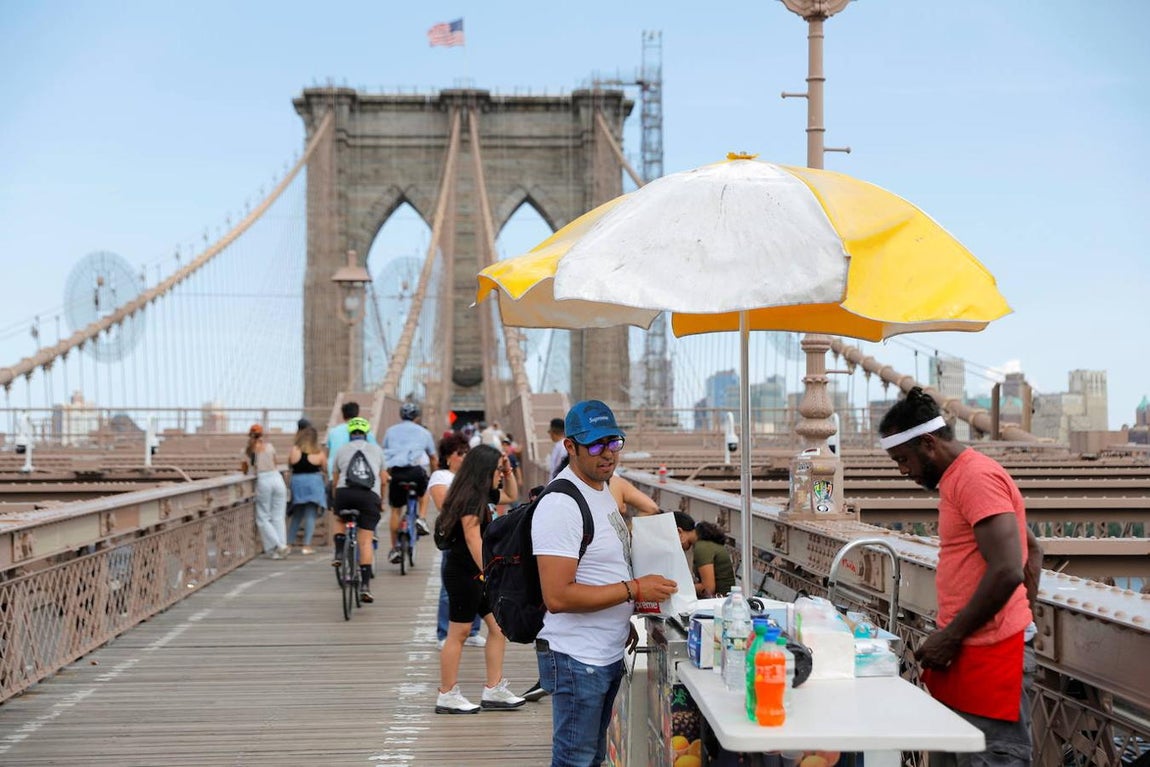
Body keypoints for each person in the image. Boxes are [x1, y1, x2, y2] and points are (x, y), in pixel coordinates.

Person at [879, 387, 1043, 767]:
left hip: (989, 655)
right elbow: (1031, 550)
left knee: (991, 759)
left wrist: (955, 636)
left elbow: (1007, 568)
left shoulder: (974, 478)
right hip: (972, 649)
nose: (903, 471)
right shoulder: (960, 479)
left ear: (928, 443)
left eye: (903, 459)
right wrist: (1021, 617)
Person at [532, 400, 678, 767]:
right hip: (577, 658)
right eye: (595, 445)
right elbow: (557, 595)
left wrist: (622, 613)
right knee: (575, 760)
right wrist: (633, 590)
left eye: (614, 442)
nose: (607, 454)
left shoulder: (601, 490)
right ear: (570, 447)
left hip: (604, 651)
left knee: (593, 757)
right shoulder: (561, 504)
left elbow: (601, 569)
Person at [434, 444, 526, 714]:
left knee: (498, 628)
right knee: (459, 633)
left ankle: (493, 688)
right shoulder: (470, 497)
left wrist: (509, 469)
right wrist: (488, 572)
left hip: (479, 572)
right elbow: (473, 537)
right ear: (485, 469)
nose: (501, 473)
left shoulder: (483, 492)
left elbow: (511, 494)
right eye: (498, 469)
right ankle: (447, 694)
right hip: (464, 572)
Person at [429, 434, 483, 649]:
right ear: (448, 457)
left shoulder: (474, 477)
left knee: (479, 584)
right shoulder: (440, 476)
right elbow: (446, 506)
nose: (464, 457)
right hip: (455, 540)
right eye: (459, 453)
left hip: (477, 537)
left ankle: (473, 630)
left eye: (467, 453)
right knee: (448, 589)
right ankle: (444, 633)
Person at [331, 417, 387, 603]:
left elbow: (335, 477)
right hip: (369, 497)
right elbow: (384, 478)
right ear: (366, 434)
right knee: (365, 542)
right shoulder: (377, 450)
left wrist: (335, 500)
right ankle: (365, 586)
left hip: (344, 494)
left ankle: (339, 551)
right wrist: (382, 500)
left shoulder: (341, 450)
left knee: (339, 518)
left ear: (350, 434)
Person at [382, 402, 437, 564]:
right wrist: (434, 474)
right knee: (425, 490)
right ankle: (421, 517)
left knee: (395, 511)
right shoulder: (423, 432)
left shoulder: (390, 431)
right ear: (417, 417)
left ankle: (395, 548)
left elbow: (385, 453)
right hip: (416, 472)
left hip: (397, 473)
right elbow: (433, 457)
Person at [240, 424, 289, 559]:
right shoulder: (270, 447)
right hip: (277, 479)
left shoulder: (247, 451)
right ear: (262, 435)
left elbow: (244, 470)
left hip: (263, 480)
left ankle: (279, 546)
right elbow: (275, 463)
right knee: (278, 516)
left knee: (263, 518)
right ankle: (278, 550)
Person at [287, 424, 327, 554]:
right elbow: (325, 469)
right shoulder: (318, 453)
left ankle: (289, 543)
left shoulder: (295, 450)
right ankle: (306, 545)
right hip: (314, 482)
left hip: (298, 482)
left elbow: (290, 464)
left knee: (297, 514)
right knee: (311, 514)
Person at [674, 512, 735, 598]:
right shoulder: (703, 543)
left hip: (720, 601)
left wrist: (678, 589)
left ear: (679, 531)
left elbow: (708, 589)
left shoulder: (702, 548)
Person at [325, 401, 377, 478]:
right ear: (357, 414)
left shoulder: (333, 431)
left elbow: (328, 453)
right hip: (355, 475)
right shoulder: (365, 431)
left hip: (333, 472)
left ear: (343, 415)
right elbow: (374, 452)